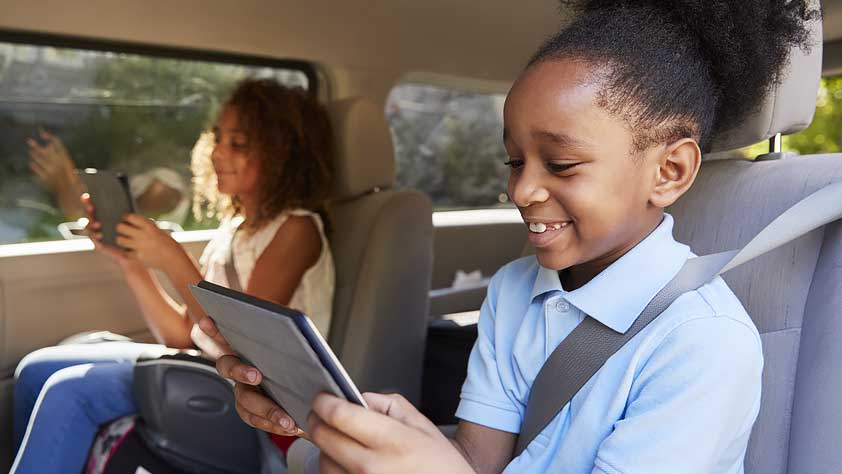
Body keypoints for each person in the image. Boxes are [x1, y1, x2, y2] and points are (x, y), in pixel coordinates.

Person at [207, 0, 818, 472]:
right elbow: (480, 461)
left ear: (669, 171)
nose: (522, 190)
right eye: (514, 161)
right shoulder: (514, 289)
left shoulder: (703, 342)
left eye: (561, 165)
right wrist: (330, 419)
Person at [11, 78, 335, 473]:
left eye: (238, 144)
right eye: (217, 138)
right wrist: (131, 263)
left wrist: (171, 258)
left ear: (283, 153)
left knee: (70, 392)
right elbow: (182, 335)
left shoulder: (297, 229)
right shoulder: (234, 229)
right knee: (35, 369)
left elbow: (245, 346)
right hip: (203, 366)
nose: (218, 153)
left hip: (248, 397)